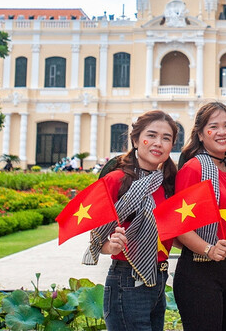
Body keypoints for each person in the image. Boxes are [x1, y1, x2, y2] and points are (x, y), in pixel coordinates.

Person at [84, 111, 179, 331]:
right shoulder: (116, 180)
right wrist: (111, 245)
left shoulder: (166, 183)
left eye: (166, 138)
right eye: (151, 135)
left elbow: (170, 232)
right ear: (136, 140)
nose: (158, 143)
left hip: (158, 278)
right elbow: (97, 237)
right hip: (127, 279)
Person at [173, 102, 226, 331]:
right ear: (201, 135)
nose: (222, 132)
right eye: (214, 126)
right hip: (199, 274)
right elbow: (180, 225)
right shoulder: (193, 169)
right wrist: (209, 249)